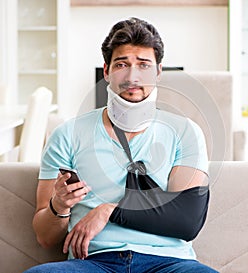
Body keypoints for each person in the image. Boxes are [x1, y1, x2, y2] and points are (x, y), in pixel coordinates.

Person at [24, 17, 218, 273]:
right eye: (121, 64)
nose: (132, 76)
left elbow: (187, 220)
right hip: (94, 263)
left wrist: (109, 211)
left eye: (144, 65)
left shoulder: (185, 132)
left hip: (169, 263)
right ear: (106, 71)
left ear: (158, 72)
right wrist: (59, 206)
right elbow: (45, 237)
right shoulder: (67, 135)